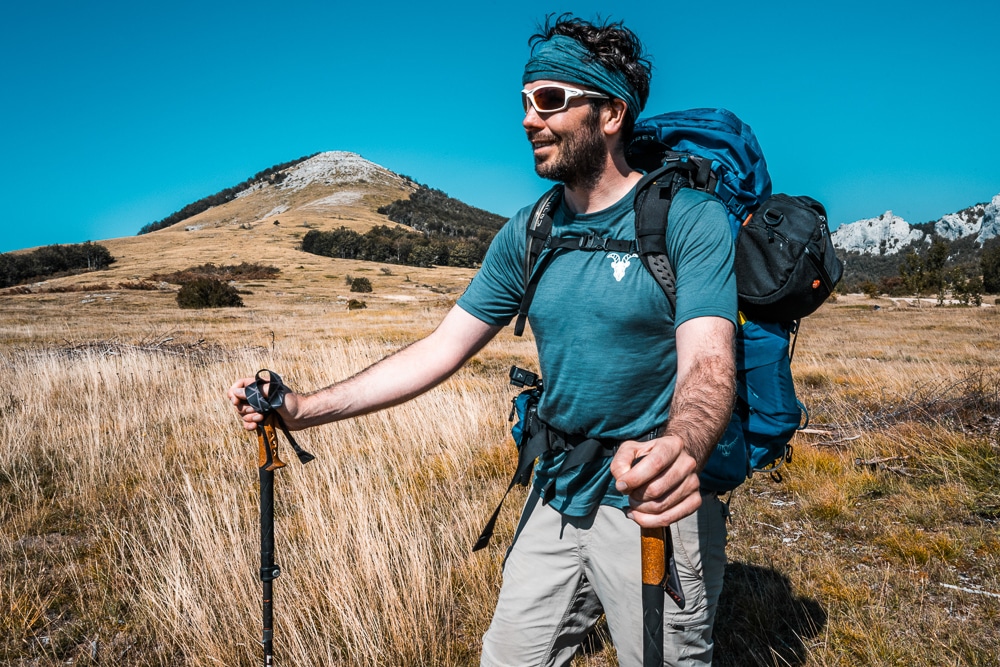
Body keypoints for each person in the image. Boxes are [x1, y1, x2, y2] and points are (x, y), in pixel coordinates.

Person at [229, 15, 736, 666]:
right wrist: (302, 408)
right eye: (525, 101)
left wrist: (681, 446)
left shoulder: (688, 221)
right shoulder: (530, 232)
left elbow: (710, 364)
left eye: (550, 99)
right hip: (555, 490)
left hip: (648, 505)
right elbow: (439, 350)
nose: (529, 118)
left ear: (610, 112)